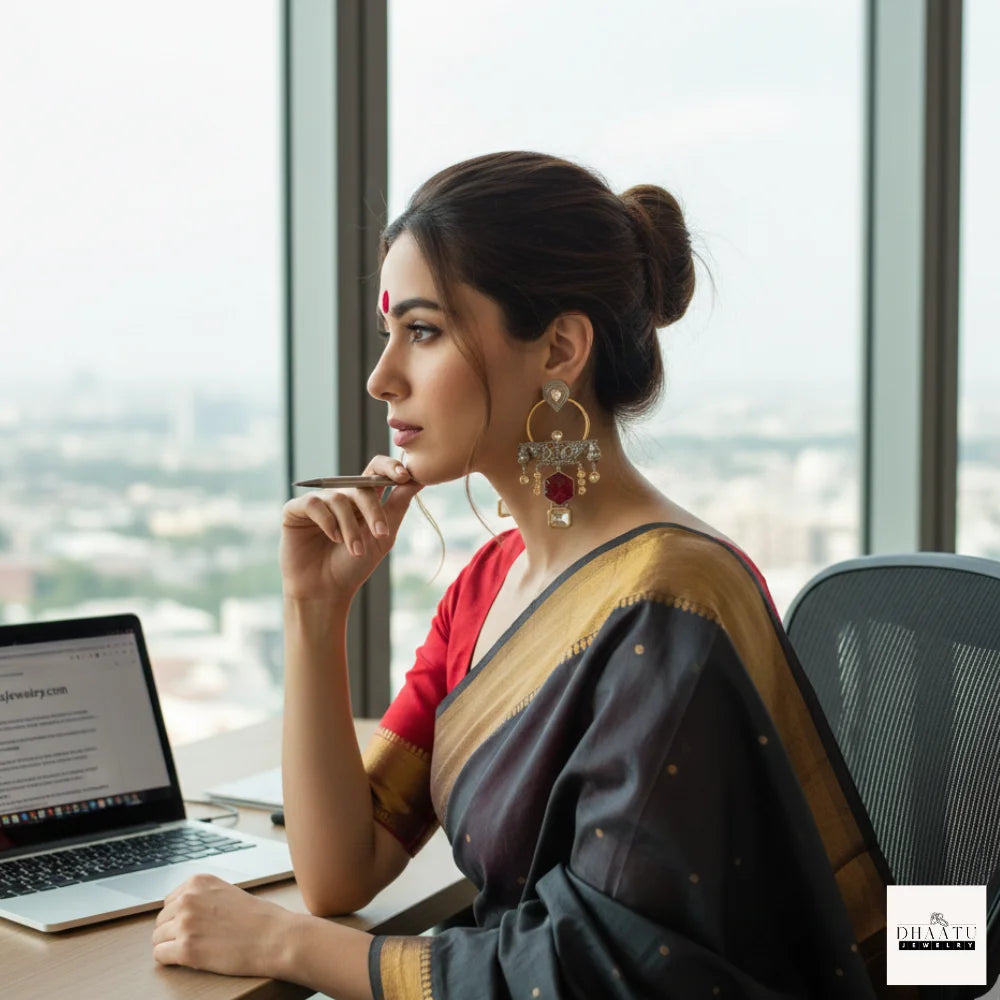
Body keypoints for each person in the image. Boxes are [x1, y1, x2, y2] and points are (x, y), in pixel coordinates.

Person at [151, 151, 890, 999]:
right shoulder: (489, 585)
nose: (381, 378)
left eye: (423, 332)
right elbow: (342, 870)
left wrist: (285, 945)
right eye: (390, 333)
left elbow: (587, 974)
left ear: (560, 348)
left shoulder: (666, 604)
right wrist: (314, 608)